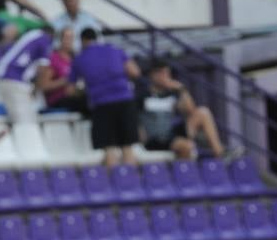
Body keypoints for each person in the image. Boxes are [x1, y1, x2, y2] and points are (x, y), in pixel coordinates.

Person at [70, 28, 141, 168]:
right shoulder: (114, 50)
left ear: (82, 41)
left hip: (101, 104)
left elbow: (71, 90)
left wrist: (85, 89)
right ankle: (130, 185)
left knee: (109, 149)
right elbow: (135, 72)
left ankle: (113, 186)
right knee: (127, 147)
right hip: (124, 100)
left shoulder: (80, 59)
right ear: (97, 38)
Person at [138, 62, 227, 160]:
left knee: (203, 112)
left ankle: (220, 154)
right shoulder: (142, 96)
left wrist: (181, 89)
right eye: (161, 73)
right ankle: (183, 172)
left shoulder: (171, 93)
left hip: (171, 134)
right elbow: (136, 121)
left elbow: (191, 110)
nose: (165, 77)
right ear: (152, 75)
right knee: (187, 146)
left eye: (167, 73)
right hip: (155, 138)